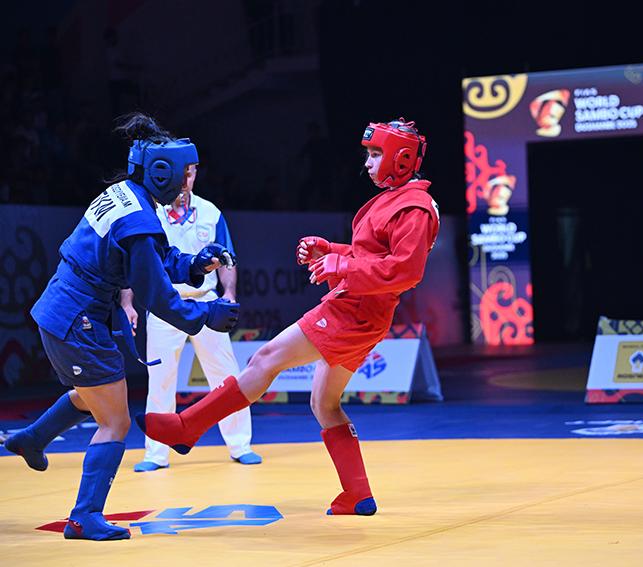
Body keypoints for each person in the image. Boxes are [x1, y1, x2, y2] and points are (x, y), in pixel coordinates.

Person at [138, 118, 440, 516]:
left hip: (355, 310)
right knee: (324, 403)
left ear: (400, 159)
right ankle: (358, 495)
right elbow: (373, 255)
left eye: (374, 154)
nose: (367, 163)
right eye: (368, 154)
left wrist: (342, 266)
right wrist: (330, 250)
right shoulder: (396, 200)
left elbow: (406, 271)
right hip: (363, 311)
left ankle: (187, 427)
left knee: (265, 359)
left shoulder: (413, 208)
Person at [2, 113, 240, 540]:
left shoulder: (123, 195)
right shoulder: (139, 220)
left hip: (61, 312)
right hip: (77, 321)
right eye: (184, 175)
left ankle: (33, 438)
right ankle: (84, 516)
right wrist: (207, 316)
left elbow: (154, 260)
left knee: (91, 394)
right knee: (115, 421)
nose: (185, 186)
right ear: (162, 173)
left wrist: (194, 263)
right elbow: (157, 297)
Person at [122, 164, 261, 472]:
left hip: (206, 301)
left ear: (196, 173)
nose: (186, 179)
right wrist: (128, 304)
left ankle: (240, 444)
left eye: (192, 172)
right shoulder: (151, 213)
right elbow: (135, 262)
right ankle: (156, 453)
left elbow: (227, 259)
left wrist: (229, 293)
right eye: (181, 172)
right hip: (163, 303)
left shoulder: (210, 212)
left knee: (226, 375)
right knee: (160, 378)